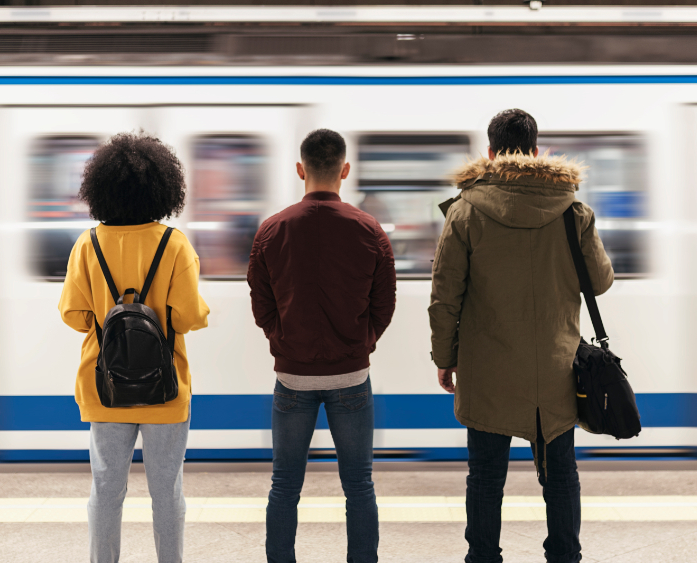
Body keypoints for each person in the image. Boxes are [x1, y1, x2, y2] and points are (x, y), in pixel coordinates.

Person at [429, 109, 614, 563]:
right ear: (536, 152)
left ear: (491, 154)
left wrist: (444, 356)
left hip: (488, 370)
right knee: (561, 476)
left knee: (486, 478)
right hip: (555, 370)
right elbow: (601, 281)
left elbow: (444, 297)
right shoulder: (573, 210)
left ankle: (484, 557)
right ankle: (565, 556)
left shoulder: (466, 210)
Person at [58, 133, 210, 563]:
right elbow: (187, 317)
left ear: (101, 189)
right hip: (165, 389)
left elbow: (73, 315)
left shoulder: (87, 245)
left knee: (106, 488)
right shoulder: (175, 244)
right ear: (163, 188)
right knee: (168, 492)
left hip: (104, 388)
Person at [247, 128, 396, 563]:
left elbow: (262, 305)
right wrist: (360, 343)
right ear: (344, 170)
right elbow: (383, 305)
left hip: (291, 380)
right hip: (352, 378)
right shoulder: (369, 229)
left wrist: (283, 341)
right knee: (359, 484)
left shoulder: (272, 230)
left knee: (284, 484)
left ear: (301, 170)